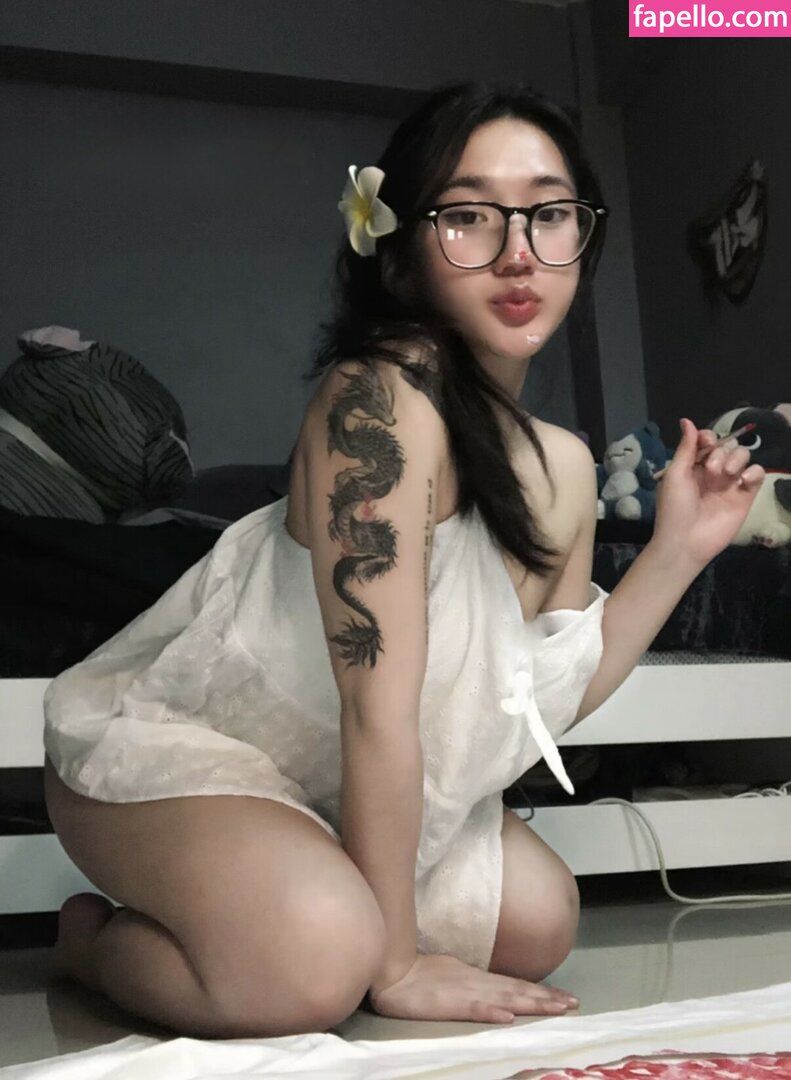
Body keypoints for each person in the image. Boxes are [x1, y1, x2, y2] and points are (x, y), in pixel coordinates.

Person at [43, 81, 764, 1039]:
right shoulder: (376, 403)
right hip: (193, 753)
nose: (517, 251)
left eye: (549, 213)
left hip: (336, 786)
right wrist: (393, 963)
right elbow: (375, 704)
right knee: (316, 971)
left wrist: (678, 548)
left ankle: (316, 906)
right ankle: (91, 946)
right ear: (398, 252)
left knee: (538, 920)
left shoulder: (560, 465)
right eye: (468, 216)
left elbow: (533, 699)